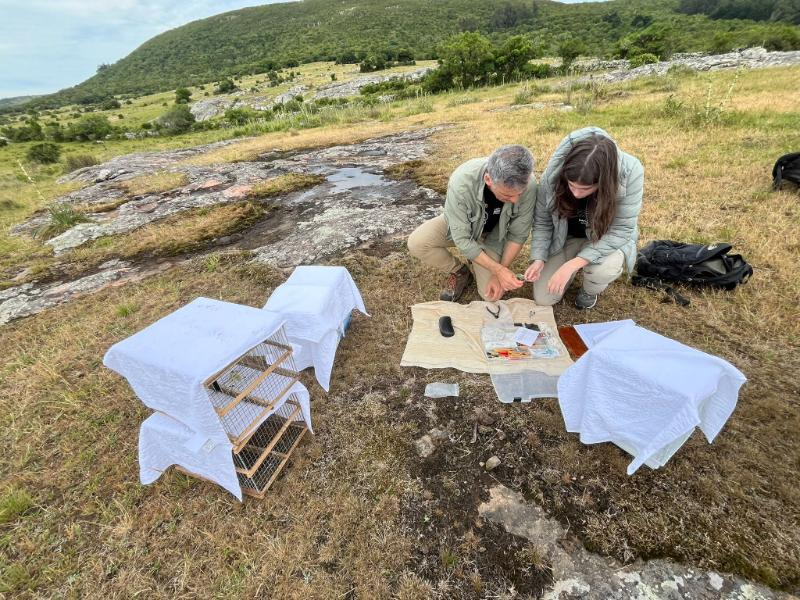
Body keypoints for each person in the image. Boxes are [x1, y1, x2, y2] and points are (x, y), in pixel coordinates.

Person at [524, 127, 643, 309]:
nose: (577, 194)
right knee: (543, 299)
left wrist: (572, 265)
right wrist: (539, 257)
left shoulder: (631, 172)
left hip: (603, 237)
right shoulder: (553, 174)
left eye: (586, 188)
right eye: (571, 185)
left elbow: (621, 230)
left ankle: (589, 289)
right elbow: (543, 221)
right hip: (566, 238)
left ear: (604, 181)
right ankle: (573, 264)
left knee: (602, 270)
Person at [408, 145, 536, 302]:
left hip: (493, 237)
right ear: (488, 179)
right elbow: (463, 239)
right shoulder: (461, 182)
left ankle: (480, 259)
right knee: (417, 243)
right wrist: (498, 270)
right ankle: (460, 272)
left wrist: (500, 272)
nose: (515, 200)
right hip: (464, 227)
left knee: (490, 296)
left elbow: (518, 234)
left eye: (520, 194)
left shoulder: (529, 184)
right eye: (507, 195)